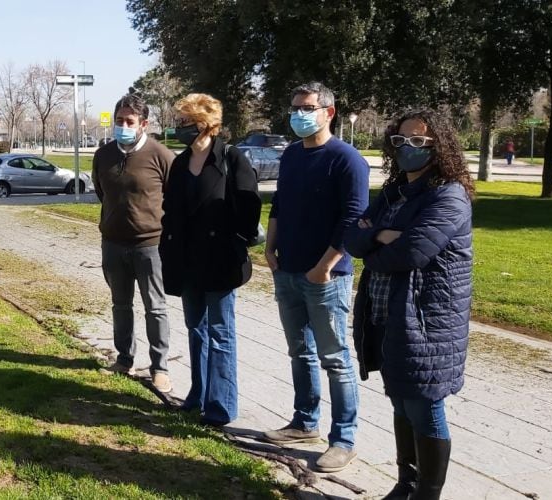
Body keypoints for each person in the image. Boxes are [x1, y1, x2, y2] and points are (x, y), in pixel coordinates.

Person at [345, 109, 473, 500]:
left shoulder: (449, 195)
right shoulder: (394, 191)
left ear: (439, 147)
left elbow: (411, 254)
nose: (407, 148)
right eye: (400, 141)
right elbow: (352, 237)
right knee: (400, 398)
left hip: (425, 321)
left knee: (424, 405)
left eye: (418, 142)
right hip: (386, 312)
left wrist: (376, 242)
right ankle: (406, 484)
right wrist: (385, 235)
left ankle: (426, 494)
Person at [262, 82, 369, 472]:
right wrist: (270, 249)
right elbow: (279, 205)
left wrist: (325, 265)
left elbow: (353, 219)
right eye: (295, 107)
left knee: (335, 359)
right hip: (287, 270)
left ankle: (344, 438)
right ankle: (305, 423)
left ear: (329, 112)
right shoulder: (291, 155)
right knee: (299, 351)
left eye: (307, 107)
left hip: (327, 276)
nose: (299, 114)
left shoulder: (347, 159)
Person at [159, 93, 261, 426]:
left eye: (185, 122)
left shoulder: (232, 159)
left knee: (220, 332)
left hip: (220, 261)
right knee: (196, 330)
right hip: (186, 260)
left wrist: (236, 242)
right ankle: (197, 396)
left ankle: (221, 406)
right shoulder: (179, 162)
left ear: (206, 123)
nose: (180, 128)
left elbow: (250, 209)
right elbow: (171, 210)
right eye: (178, 122)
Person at [92, 93, 176, 394]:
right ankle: (125, 359)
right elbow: (102, 192)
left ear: (144, 124)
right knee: (120, 305)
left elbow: (176, 196)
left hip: (149, 245)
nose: (123, 126)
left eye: (129, 121)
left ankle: (160, 367)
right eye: (119, 121)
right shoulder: (103, 155)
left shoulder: (161, 155)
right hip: (113, 243)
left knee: (155, 307)